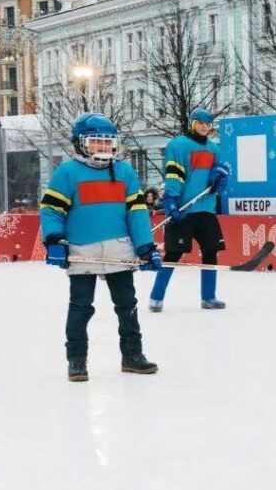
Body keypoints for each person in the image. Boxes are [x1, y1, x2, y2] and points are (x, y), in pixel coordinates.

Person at [39, 113, 162, 381]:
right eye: (97, 142)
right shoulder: (67, 173)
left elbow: (137, 213)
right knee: (80, 306)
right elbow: (51, 210)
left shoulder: (125, 172)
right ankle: (77, 360)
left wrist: (145, 247)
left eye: (108, 142)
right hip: (82, 251)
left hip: (120, 249)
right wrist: (54, 240)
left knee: (127, 305)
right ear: (80, 143)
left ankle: (132, 355)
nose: (104, 147)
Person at [148, 108, 232, 312]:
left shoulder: (215, 149)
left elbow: (221, 175)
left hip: (206, 208)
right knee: (173, 254)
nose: (204, 126)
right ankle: (156, 297)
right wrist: (172, 199)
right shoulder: (179, 145)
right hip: (184, 209)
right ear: (192, 124)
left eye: (208, 123)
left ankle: (208, 297)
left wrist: (220, 178)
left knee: (211, 251)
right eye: (200, 122)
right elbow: (173, 175)